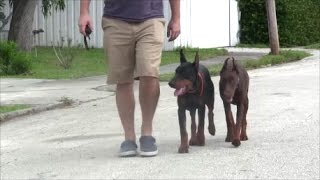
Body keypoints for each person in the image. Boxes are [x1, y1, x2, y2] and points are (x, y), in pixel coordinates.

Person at [79, 0, 181, 157]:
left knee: (149, 72)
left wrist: (176, 18)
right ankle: (129, 137)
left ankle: (147, 133)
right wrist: (84, 12)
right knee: (123, 78)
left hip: (151, 19)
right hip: (115, 20)